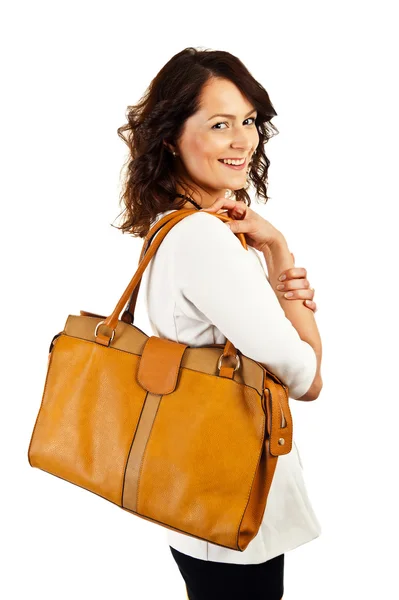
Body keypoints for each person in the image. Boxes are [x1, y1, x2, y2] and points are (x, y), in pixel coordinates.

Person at [114, 47, 323, 600]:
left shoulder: (171, 226)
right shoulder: (204, 237)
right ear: (170, 138)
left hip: (196, 498)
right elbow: (307, 378)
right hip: (229, 504)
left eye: (249, 121)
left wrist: (271, 247)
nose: (242, 140)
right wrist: (281, 252)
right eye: (219, 124)